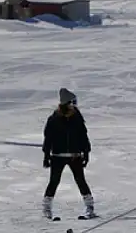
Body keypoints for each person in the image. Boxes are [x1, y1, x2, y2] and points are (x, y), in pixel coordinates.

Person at [41, 87, 96, 220]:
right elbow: (48, 138)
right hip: (58, 156)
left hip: (75, 156)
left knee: (81, 181)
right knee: (54, 182)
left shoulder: (77, 118)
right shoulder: (54, 119)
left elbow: (83, 136)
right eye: (73, 103)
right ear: (67, 103)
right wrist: (46, 155)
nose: (75, 106)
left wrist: (86, 152)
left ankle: (90, 208)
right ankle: (46, 209)